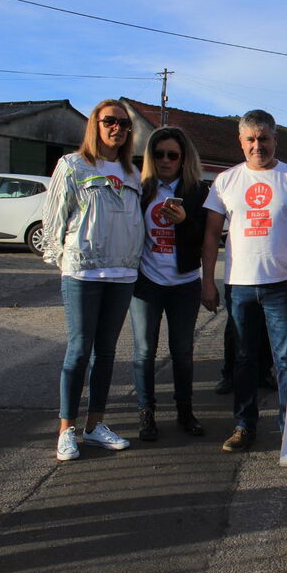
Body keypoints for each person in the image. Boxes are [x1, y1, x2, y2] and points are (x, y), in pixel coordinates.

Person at [201, 109, 287, 452]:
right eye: (251, 139)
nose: (258, 145)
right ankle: (244, 426)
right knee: (243, 359)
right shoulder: (226, 180)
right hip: (239, 286)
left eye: (264, 138)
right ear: (241, 142)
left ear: (275, 139)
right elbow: (211, 235)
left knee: (286, 359)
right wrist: (207, 281)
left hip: (281, 286)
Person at [43, 100, 144, 461]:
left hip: (122, 275)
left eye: (124, 123)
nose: (117, 128)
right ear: (95, 125)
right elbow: (54, 221)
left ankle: (95, 425)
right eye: (109, 121)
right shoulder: (72, 165)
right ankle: (66, 429)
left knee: (106, 354)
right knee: (79, 351)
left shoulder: (132, 172)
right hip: (83, 273)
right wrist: (66, 263)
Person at [129, 127, 208, 441]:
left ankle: (185, 412)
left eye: (172, 155)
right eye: (158, 154)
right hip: (147, 282)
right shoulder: (142, 189)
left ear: (183, 158)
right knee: (144, 351)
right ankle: (146, 413)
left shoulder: (198, 191)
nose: (165, 161)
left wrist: (184, 221)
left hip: (184, 282)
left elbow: (207, 238)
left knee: (182, 352)